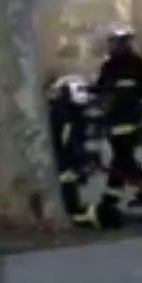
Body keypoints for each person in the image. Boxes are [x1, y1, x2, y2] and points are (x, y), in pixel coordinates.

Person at [95, 22, 142, 208]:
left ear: (125, 42)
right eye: (112, 42)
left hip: (133, 122)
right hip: (113, 122)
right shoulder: (108, 66)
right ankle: (113, 196)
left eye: (116, 42)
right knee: (120, 158)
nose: (113, 46)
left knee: (123, 158)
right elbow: (101, 90)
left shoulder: (139, 65)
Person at [49, 75, 120, 228]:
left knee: (70, 195)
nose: (88, 96)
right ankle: (87, 216)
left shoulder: (70, 114)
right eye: (83, 91)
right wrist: (83, 161)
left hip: (65, 171)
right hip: (62, 171)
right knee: (70, 204)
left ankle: (86, 214)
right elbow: (65, 146)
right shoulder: (64, 116)